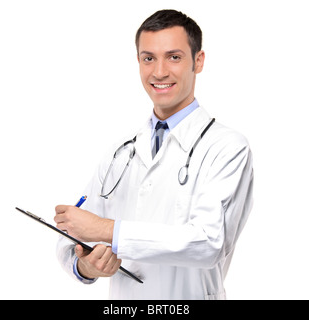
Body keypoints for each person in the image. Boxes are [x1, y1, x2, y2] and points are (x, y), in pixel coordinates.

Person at [54, 9, 254, 300]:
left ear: (198, 62)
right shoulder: (120, 152)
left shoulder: (227, 147)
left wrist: (107, 230)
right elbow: (70, 240)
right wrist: (87, 266)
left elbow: (208, 243)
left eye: (174, 57)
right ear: (138, 62)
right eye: (149, 58)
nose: (159, 72)